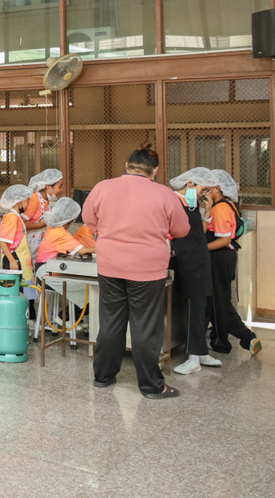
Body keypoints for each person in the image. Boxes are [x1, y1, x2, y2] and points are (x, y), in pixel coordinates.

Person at [82, 144, 188, 399]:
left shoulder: (102, 187)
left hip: (109, 266)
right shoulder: (165, 194)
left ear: (127, 166)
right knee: (146, 327)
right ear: (155, 170)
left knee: (110, 322)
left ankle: (102, 376)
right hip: (147, 271)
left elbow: (88, 219)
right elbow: (181, 229)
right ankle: (152, 386)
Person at [168, 168, 222, 375]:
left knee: (201, 307)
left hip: (198, 260)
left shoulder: (190, 204)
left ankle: (200, 352)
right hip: (187, 261)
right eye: (203, 189)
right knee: (194, 306)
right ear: (190, 183)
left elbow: (197, 231)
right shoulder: (173, 202)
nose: (204, 194)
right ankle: (194, 358)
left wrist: (207, 214)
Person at [206, 170, 261, 356]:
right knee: (218, 300)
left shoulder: (220, 208)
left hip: (219, 257)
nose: (204, 189)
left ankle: (237, 339)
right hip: (224, 258)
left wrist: (201, 248)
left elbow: (224, 240)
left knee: (219, 303)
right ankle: (222, 338)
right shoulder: (228, 204)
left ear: (217, 188)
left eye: (208, 186)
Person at [34, 198, 93, 264]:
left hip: (42, 264)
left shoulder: (53, 228)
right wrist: (101, 247)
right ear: (74, 217)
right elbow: (84, 251)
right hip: (46, 266)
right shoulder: (61, 234)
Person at [0, 185, 34, 279]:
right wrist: (12, 261)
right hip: (14, 257)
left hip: (17, 257)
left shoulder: (14, 216)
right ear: (19, 203)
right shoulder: (12, 217)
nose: (28, 204)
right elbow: (2, 241)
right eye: (27, 201)